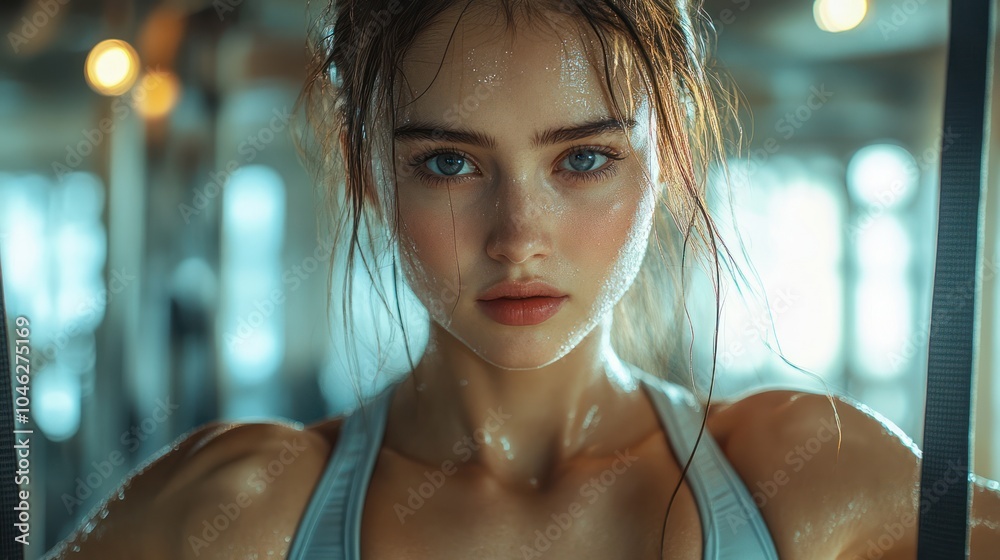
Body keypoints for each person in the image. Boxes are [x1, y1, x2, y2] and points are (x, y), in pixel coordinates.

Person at [46, 0, 1000, 558]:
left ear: (668, 161)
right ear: (364, 170)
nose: (516, 239)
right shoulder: (243, 510)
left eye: (582, 160)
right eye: (449, 164)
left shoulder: (809, 482)